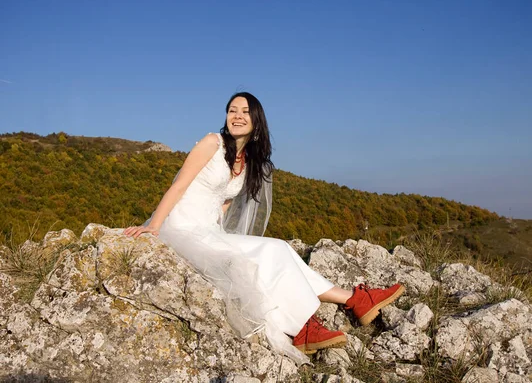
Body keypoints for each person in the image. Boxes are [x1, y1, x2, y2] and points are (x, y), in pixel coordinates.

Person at [124, 92, 405, 364]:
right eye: (232, 110)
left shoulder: (247, 163)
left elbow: (222, 204)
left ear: (256, 120)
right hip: (183, 227)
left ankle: (351, 302)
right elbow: (180, 184)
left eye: (245, 112)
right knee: (274, 250)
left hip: (209, 231)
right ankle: (315, 321)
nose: (237, 116)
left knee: (273, 253)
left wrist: (224, 235)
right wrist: (155, 226)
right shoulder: (212, 143)